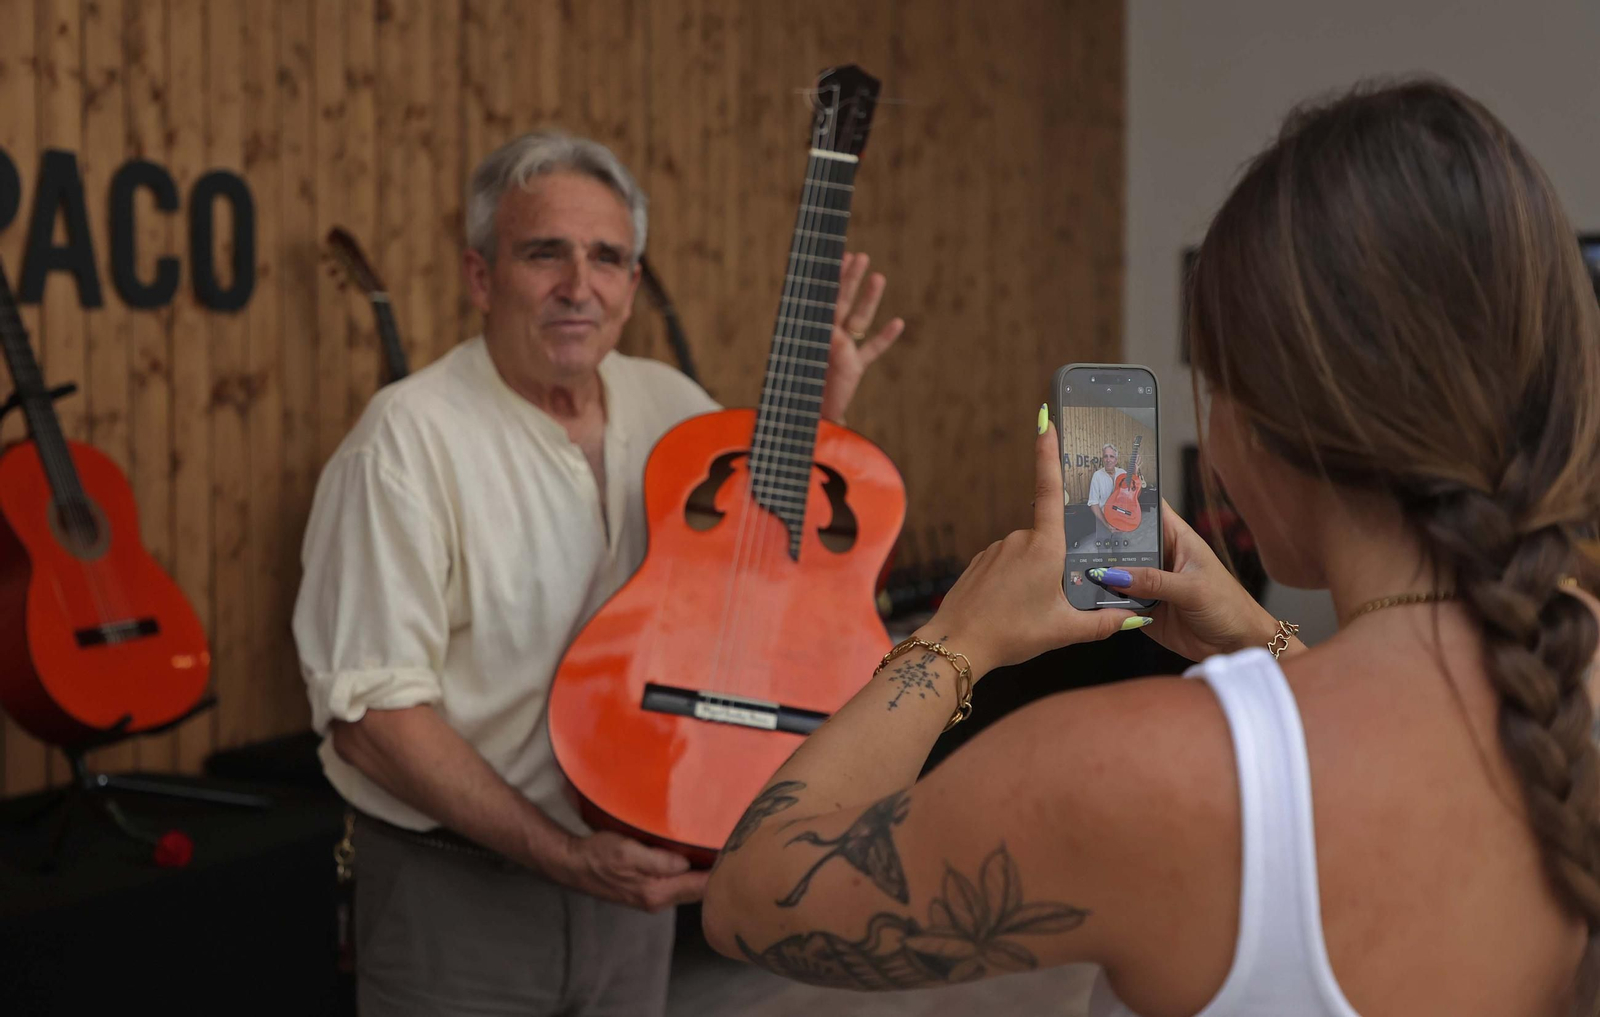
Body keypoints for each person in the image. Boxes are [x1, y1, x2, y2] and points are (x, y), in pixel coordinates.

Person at [703, 78, 1600, 1017]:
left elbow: (755, 889)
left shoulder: (1141, 769)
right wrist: (1259, 639)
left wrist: (956, 638)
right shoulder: (1564, 655)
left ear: (1257, 419)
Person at [292, 129, 902, 1016]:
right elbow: (372, 720)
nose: (580, 285)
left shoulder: (677, 412)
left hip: (630, 891)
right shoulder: (403, 443)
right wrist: (562, 854)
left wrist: (822, 421)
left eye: (609, 258)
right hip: (458, 901)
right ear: (480, 276)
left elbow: (765, 586)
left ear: (631, 283)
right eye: (546, 253)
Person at [1087, 442, 1130, 546]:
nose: (1108, 459)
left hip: (1119, 519)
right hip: (1102, 520)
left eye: (1111, 456)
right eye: (1105, 456)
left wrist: (1135, 474)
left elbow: (1132, 496)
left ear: (1116, 460)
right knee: (1103, 554)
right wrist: (1106, 524)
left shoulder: (1123, 473)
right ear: (1103, 459)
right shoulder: (1097, 476)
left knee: (1118, 552)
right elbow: (1093, 503)